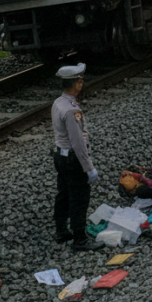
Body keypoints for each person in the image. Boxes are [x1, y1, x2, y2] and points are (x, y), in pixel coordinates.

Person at [50, 64, 103, 251]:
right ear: (77, 83)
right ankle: (80, 239)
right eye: (81, 81)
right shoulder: (72, 110)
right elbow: (78, 142)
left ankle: (61, 230)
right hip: (73, 159)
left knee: (63, 193)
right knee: (79, 198)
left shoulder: (58, 102)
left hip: (60, 155)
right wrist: (89, 167)